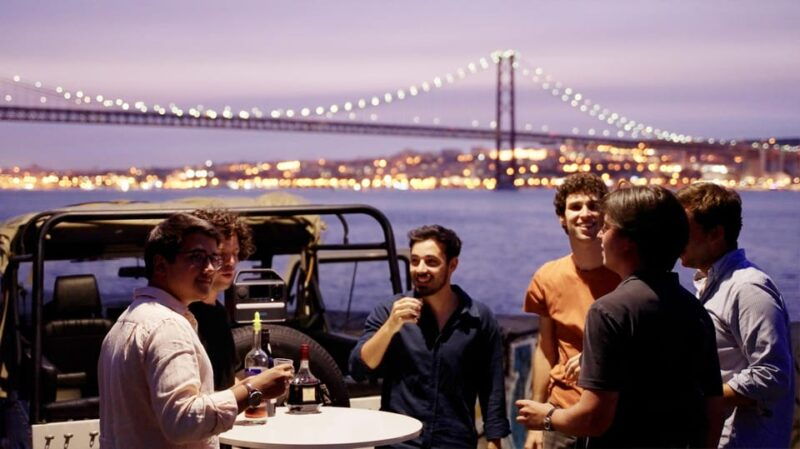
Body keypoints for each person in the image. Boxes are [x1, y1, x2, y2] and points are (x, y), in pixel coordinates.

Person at [516, 185, 724, 448]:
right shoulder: (693, 308)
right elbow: (713, 404)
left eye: (608, 227)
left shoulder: (609, 311)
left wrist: (546, 417)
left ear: (627, 242)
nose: (600, 235)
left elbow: (595, 418)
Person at [99, 213, 292, 449]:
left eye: (214, 258)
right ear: (160, 265)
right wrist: (255, 390)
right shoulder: (168, 327)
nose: (210, 268)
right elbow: (183, 422)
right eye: (197, 257)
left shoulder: (126, 322)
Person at [349, 225, 510, 449]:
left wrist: (494, 442)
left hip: (454, 443)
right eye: (415, 261)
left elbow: (491, 387)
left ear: (452, 265)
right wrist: (390, 327)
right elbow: (359, 368)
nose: (420, 269)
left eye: (431, 262)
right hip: (399, 443)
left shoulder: (479, 318)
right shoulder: (389, 311)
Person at [677, 182, 794, 448]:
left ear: (715, 234)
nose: (676, 238)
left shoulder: (748, 288)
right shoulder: (713, 285)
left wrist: (700, 398)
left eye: (685, 230)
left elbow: (773, 374)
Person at [523, 173, 620, 449]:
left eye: (594, 206)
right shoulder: (547, 277)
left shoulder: (627, 276)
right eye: (575, 207)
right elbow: (545, 349)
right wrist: (538, 420)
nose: (585, 214)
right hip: (561, 416)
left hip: (615, 417)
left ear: (606, 215)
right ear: (562, 219)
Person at [189, 208, 256, 390]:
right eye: (222, 254)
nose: (231, 262)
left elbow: (226, 381)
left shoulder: (219, 312)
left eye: (235, 253)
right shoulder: (185, 315)